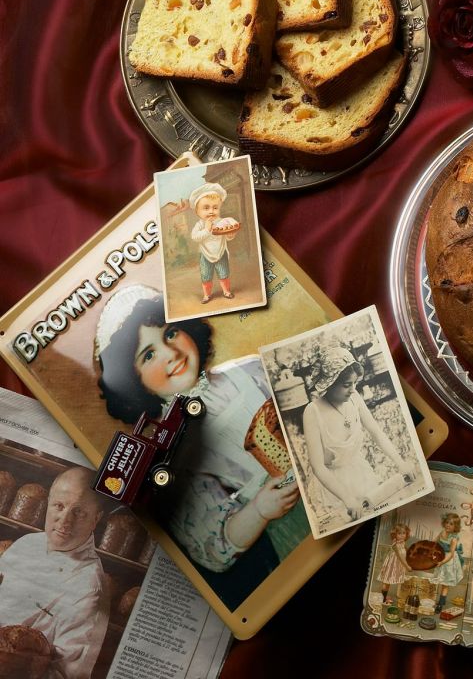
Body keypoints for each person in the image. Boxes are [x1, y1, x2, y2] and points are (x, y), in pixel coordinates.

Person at [94, 284, 304, 609]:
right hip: (289, 518)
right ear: (133, 383)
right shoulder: (173, 446)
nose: (172, 354)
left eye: (170, 334)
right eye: (148, 355)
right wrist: (260, 509)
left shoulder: (244, 371)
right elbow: (212, 542)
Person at [0, 467, 109, 679]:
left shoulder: (90, 588)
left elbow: (65, 674)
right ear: (48, 503)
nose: (65, 520)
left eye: (78, 512)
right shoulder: (27, 543)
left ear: (95, 519)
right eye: (59, 506)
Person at [301, 346, 409, 524]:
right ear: (330, 383)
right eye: (346, 385)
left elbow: (376, 432)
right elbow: (318, 467)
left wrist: (401, 463)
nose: (352, 389)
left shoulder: (354, 398)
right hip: (332, 488)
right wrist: (347, 498)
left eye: (354, 384)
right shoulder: (313, 412)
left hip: (361, 475)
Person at [189, 182, 237, 303]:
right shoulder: (199, 225)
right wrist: (207, 229)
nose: (211, 211)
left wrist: (230, 235)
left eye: (215, 208)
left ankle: (226, 291)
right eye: (206, 208)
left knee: (224, 273)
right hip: (205, 255)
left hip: (221, 253)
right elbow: (195, 237)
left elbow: (227, 234)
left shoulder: (222, 222)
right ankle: (207, 295)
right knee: (206, 276)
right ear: (197, 212)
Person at [428, 513, 464, 614]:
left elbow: (452, 554)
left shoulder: (454, 538)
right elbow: (434, 543)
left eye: (451, 524)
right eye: (447, 522)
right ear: (444, 523)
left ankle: (440, 603)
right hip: (441, 556)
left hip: (449, 560)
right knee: (438, 580)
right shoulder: (442, 532)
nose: (448, 525)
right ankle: (433, 600)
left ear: (455, 527)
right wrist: (432, 551)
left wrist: (442, 562)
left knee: (445, 583)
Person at [377, 522, 411, 607]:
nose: (402, 535)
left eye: (404, 533)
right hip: (392, 565)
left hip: (397, 565)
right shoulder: (395, 544)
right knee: (386, 581)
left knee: (388, 582)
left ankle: (384, 598)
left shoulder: (402, 542)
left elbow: (406, 550)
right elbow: (399, 557)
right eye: (399, 533)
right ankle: (383, 599)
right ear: (395, 534)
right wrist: (406, 566)